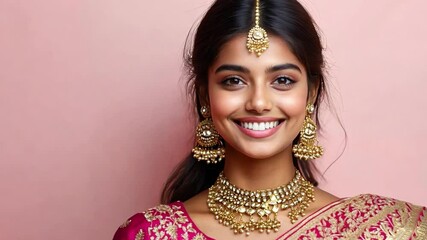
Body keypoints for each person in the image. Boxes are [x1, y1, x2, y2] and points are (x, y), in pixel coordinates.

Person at [113, 0, 427, 239]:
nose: (259, 103)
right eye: (234, 80)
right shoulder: (151, 234)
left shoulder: (387, 229)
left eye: (283, 80)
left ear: (312, 92)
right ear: (205, 94)